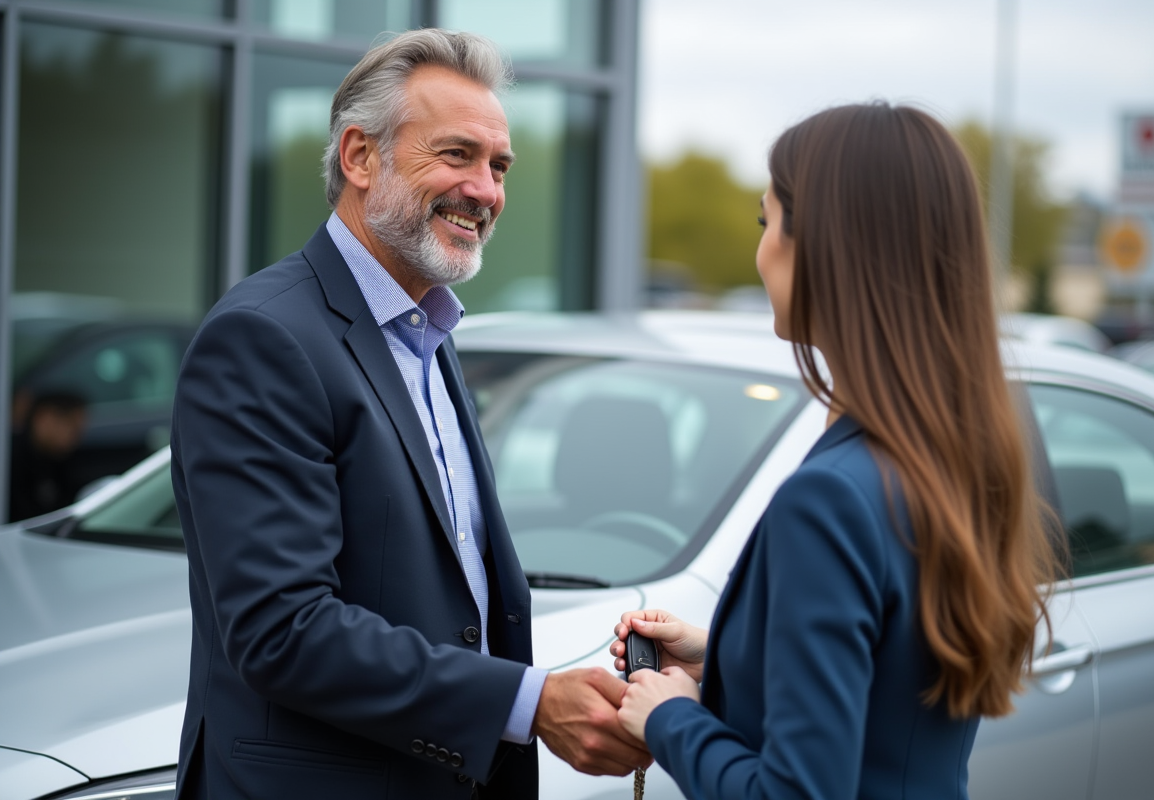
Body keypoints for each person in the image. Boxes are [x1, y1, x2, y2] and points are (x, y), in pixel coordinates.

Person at [170, 29, 648, 800]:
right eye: (456, 155)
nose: (486, 190)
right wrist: (525, 702)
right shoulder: (264, 336)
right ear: (360, 158)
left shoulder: (427, 329)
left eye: (499, 167)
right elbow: (282, 630)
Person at [610, 103, 1063, 799]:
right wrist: (725, 656)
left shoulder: (829, 498)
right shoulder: (953, 462)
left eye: (768, 222)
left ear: (825, 244)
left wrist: (669, 718)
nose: (760, 250)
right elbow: (893, 681)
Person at [8, 389, 88, 521]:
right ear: (44, 418)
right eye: (72, 425)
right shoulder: (13, 462)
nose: (77, 435)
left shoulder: (61, 460)